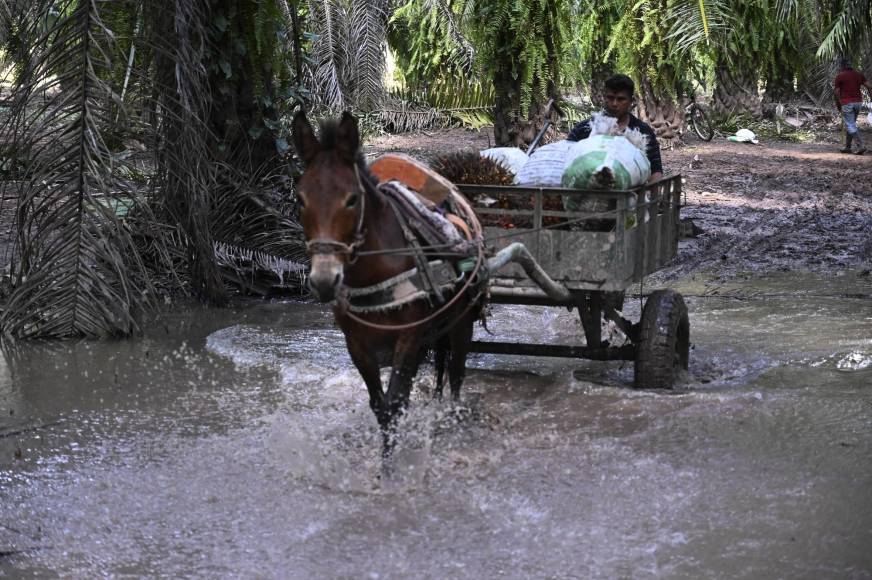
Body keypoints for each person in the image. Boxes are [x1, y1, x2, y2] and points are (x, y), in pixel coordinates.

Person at [568, 74, 664, 182]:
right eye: (610, 98)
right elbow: (566, 158)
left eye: (621, 99)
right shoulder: (584, 129)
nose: (614, 104)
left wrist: (653, 195)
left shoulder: (643, 132)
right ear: (604, 98)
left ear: (631, 101)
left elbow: (655, 170)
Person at [834, 57, 872, 155]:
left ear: (842, 66)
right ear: (851, 66)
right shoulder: (858, 75)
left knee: (850, 125)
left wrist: (839, 103)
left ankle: (861, 145)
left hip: (847, 103)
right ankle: (847, 147)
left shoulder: (840, 76)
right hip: (858, 103)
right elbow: (869, 86)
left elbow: (837, 92)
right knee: (851, 124)